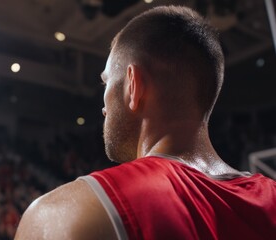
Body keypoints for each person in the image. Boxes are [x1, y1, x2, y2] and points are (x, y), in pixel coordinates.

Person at [15, 5, 276, 240]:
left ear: (133, 84)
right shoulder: (271, 199)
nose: (104, 107)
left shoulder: (65, 215)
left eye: (107, 83)